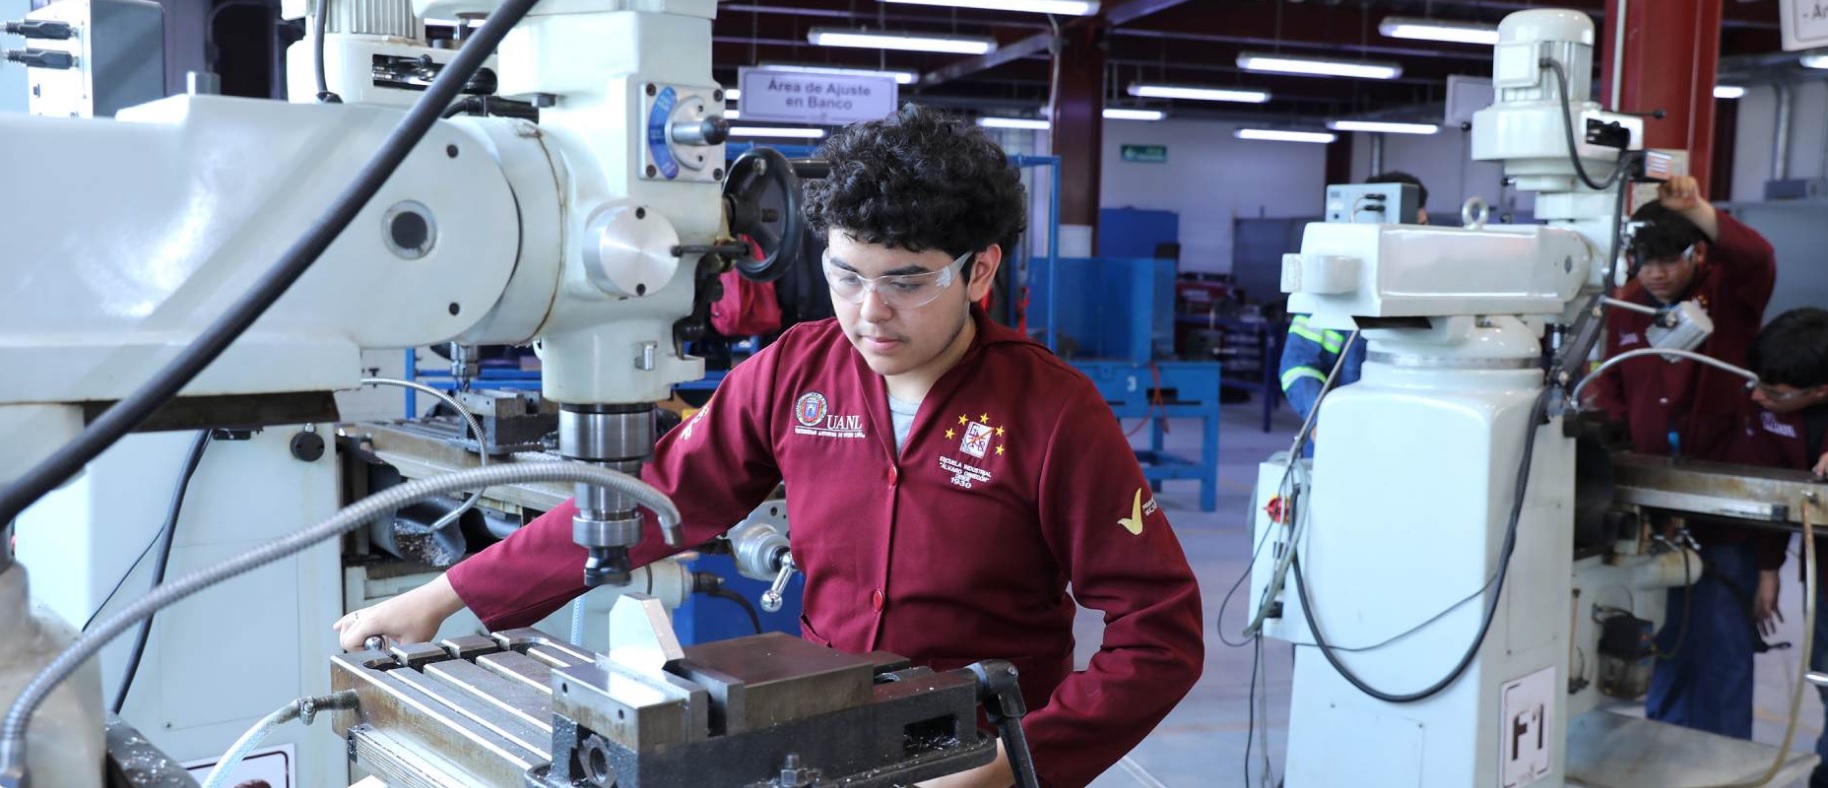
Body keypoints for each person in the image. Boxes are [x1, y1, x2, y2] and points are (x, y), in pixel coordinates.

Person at [334, 105, 1205, 788]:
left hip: (977, 751)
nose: (869, 313)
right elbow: (650, 508)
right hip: (820, 737)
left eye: (906, 283)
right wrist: (451, 594)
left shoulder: (1054, 413)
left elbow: (1157, 635)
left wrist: (1023, 763)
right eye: (846, 276)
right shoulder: (795, 372)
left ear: (978, 271)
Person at [1586, 175, 1778, 739]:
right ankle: (1662, 751)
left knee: (1721, 649)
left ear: (1696, 254)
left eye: (1669, 261)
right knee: (1663, 642)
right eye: (1645, 263)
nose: (1657, 274)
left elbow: (1759, 257)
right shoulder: (1624, 308)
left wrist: (1696, 208)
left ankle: (1726, 766)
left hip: (1723, 507)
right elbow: (1609, 387)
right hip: (1652, 504)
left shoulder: (1729, 294)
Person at [1726, 308, 1828, 788]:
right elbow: (1770, 489)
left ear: (1822, 391)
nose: (1757, 396)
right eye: (1757, 383)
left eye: (1774, 393)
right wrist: (1768, 569)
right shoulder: (1769, 398)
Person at [1277, 171, 1427, 436]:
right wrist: (1320, 422)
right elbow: (1298, 365)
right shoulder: (1338, 291)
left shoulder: (1435, 292)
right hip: (1346, 436)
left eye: (1422, 224)